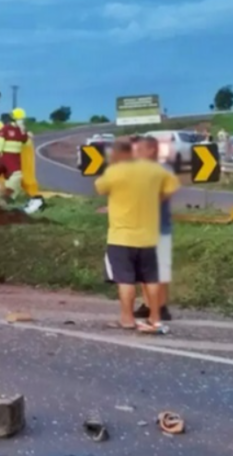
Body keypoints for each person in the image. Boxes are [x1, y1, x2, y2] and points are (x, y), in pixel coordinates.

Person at [95, 140, 180, 332]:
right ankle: (155, 319)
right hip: (149, 236)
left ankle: (127, 319)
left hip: (122, 236)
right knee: (151, 278)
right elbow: (171, 187)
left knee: (125, 280)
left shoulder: (117, 171)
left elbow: (100, 187)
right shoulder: (156, 171)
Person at [133, 136, 173, 322]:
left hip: (158, 227)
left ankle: (161, 306)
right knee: (145, 269)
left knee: (159, 268)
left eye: (139, 150)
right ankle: (148, 304)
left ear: (151, 150)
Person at [0, 112, 28, 203]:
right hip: (7, 156)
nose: (22, 121)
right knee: (17, 175)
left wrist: (24, 131)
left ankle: (9, 198)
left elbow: (24, 141)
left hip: (16, 157)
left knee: (10, 178)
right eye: (20, 119)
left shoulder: (21, 130)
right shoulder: (6, 129)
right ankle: (7, 196)